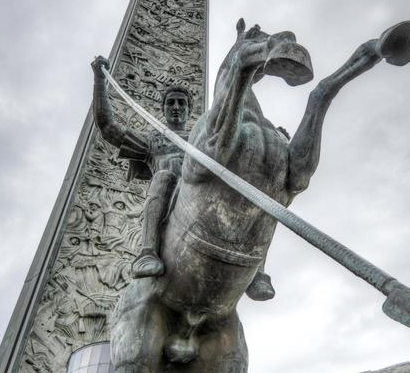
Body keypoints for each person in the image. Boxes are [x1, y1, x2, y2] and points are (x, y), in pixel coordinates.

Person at [91, 56, 275, 298]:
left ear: (189, 109)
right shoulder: (154, 140)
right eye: (171, 103)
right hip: (170, 195)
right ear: (164, 108)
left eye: (181, 103)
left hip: (202, 194)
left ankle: (257, 270)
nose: (176, 107)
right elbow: (109, 128)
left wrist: (271, 139)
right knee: (164, 176)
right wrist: (99, 80)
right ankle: (148, 251)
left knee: (256, 188)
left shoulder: (203, 139)